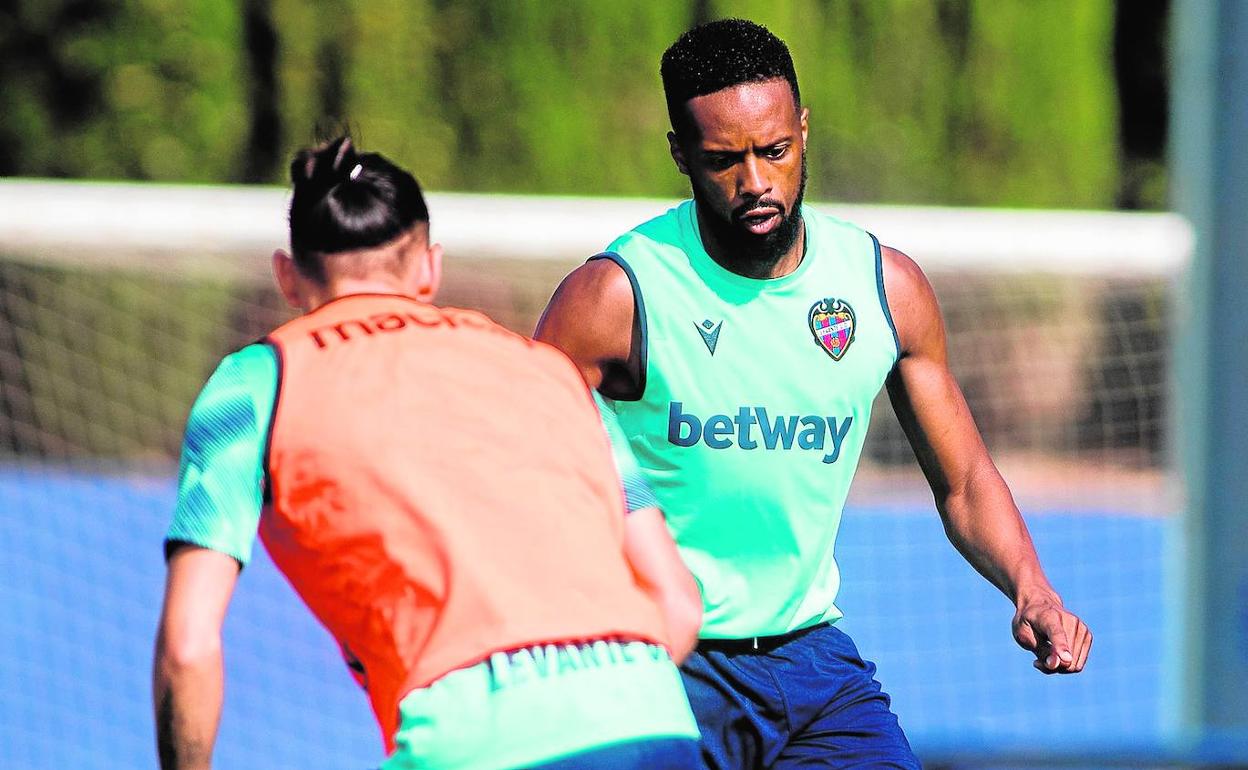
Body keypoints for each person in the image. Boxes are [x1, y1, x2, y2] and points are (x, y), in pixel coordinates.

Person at [535, 18, 1093, 770]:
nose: (756, 182)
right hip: (655, 669)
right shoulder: (617, 294)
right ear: (680, 155)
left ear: (803, 129)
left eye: (774, 150)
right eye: (724, 160)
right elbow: (516, 460)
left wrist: (1032, 589)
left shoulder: (883, 287)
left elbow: (962, 479)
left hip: (813, 666)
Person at [152, 136, 703, 770]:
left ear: (287, 275)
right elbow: (679, 605)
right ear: (429, 267)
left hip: (475, 742)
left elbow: (190, 646)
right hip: (651, 715)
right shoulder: (549, 371)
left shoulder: (262, 378)